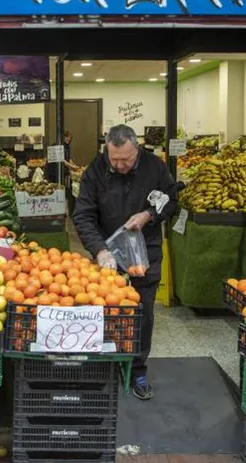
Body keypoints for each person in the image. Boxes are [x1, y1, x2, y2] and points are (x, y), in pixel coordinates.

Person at [73, 124, 178, 400]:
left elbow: (170, 201)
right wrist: (99, 250)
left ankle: (138, 370)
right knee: (105, 310)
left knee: (142, 313)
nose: (119, 165)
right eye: (114, 159)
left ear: (137, 149)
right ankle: (105, 365)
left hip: (146, 251)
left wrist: (148, 216)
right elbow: (82, 216)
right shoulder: (95, 171)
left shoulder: (155, 167)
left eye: (126, 160)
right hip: (108, 254)